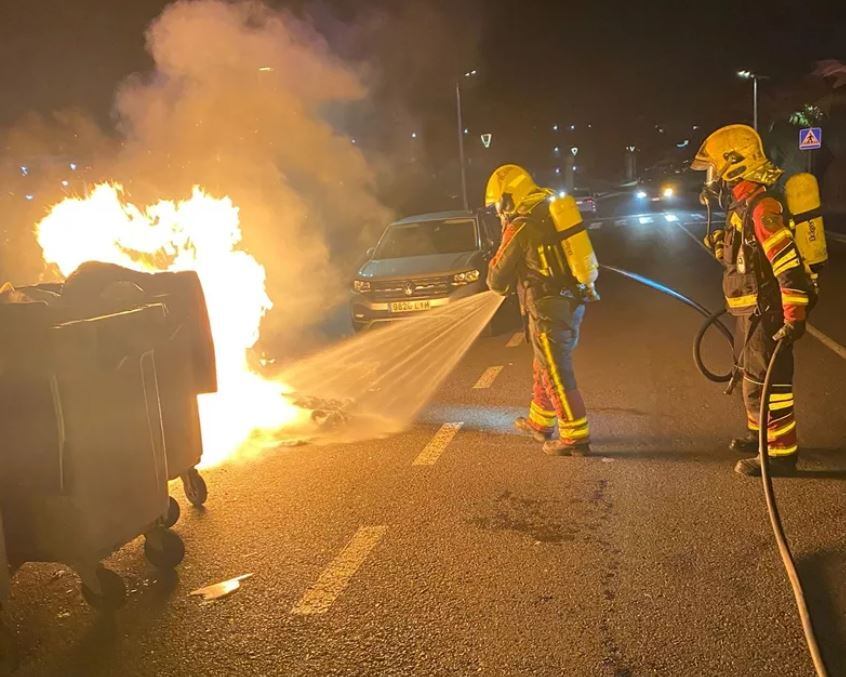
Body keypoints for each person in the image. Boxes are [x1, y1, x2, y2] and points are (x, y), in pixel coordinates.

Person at [691, 124, 815, 476]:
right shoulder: (742, 208)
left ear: (733, 164)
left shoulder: (762, 208)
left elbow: (786, 264)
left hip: (767, 312)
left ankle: (780, 455)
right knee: (750, 376)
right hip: (749, 311)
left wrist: (793, 315)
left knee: (768, 384)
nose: (712, 177)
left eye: (715, 167)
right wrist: (720, 245)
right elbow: (746, 262)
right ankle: (759, 435)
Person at [485, 164, 599, 456]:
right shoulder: (550, 213)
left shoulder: (521, 226)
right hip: (570, 301)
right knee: (543, 364)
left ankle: (575, 436)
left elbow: (496, 278)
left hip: (547, 307)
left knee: (556, 371)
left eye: (499, 205)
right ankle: (540, 423)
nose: (499, 211)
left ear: (508, 198)